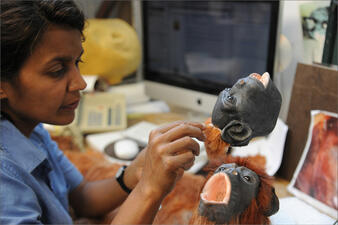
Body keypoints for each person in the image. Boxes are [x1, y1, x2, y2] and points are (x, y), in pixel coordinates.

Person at [0, 0, 205, 224]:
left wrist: (137, 171)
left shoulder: (31, 130)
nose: (80, 83)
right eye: (57, 71)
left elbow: (83, 197)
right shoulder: (5, 175)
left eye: (77, 62)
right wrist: (150, 189)